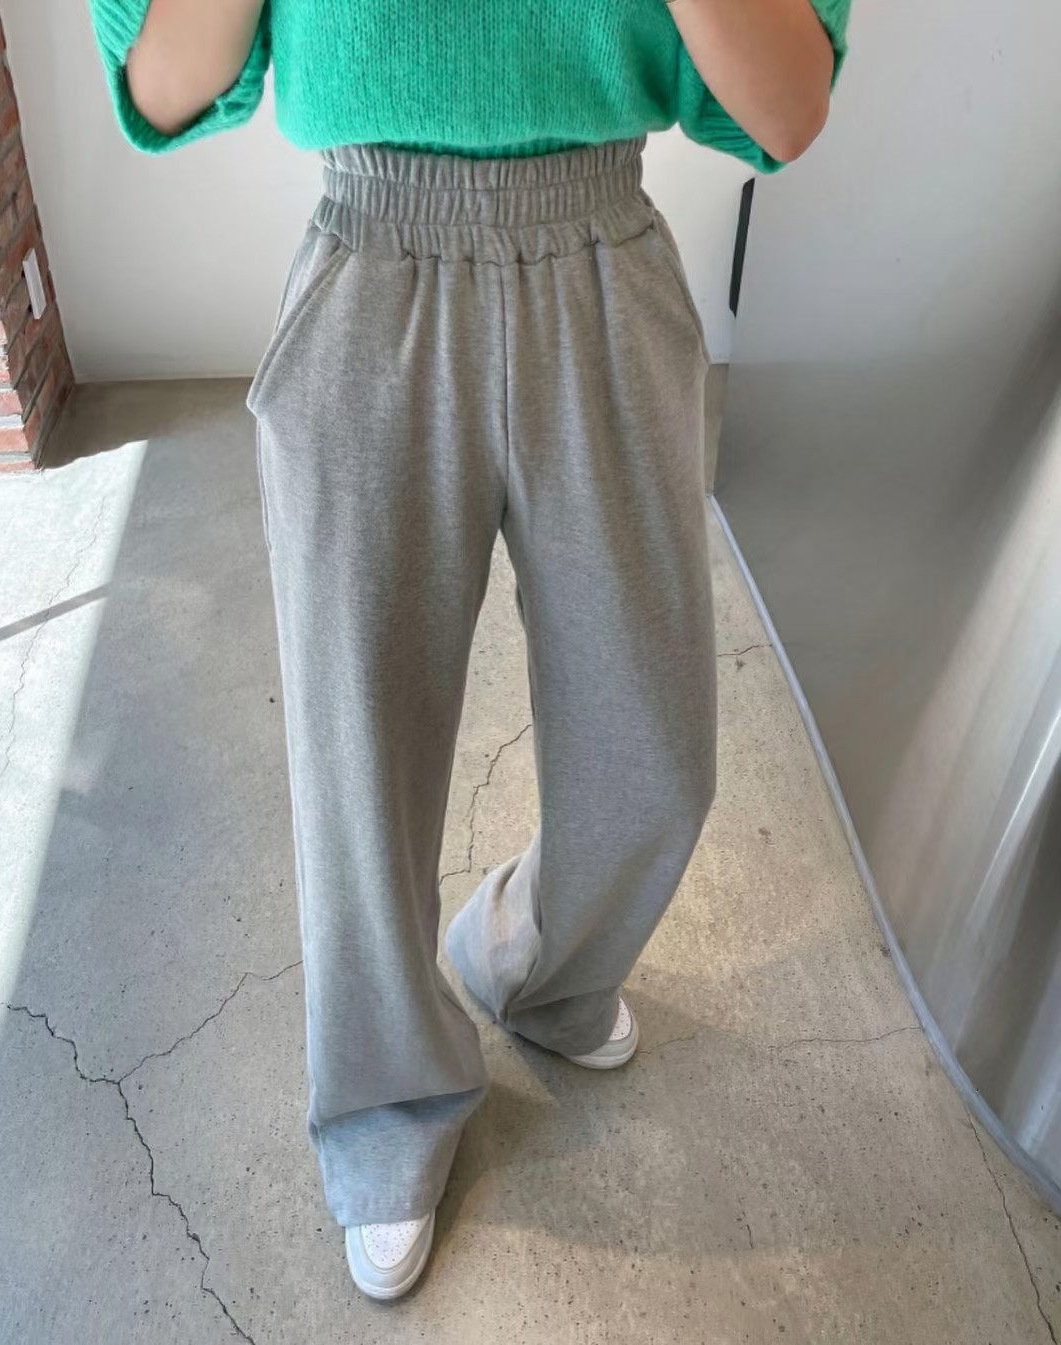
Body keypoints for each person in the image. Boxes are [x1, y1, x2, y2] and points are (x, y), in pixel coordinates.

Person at [88, 0, 849, 1302]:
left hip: (604, 255)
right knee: (360, 762)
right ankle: (385, 1105)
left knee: (655, 759)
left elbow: (788, 109)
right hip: (370, 264)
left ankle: (533, 963)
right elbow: (161, 88)